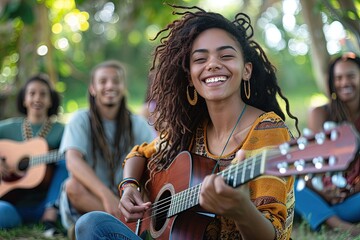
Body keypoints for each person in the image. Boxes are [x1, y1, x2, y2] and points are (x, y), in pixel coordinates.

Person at [75, 4, 300, 240]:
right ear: (191, 77)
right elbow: (139, 153)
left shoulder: (267, 130)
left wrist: (242, 210)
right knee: (91, 223)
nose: (212, 64)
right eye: (200, 59)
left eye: (226, 55)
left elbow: (272, 235)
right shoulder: (191, 130)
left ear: (246, 70)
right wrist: (129, 185)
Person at [58, 60, 155, 237]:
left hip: (127, 195)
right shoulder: (80, 119)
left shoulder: (137, 123)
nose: (110, 85)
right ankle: (122, 227)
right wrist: (106, 196)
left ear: (123, 87)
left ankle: (116, 227)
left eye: (116, 81)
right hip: (93, 198)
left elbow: (156, 155)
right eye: (103, 81)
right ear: (92, 88)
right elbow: (72, 160)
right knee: (72, 186)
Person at [294, 52, 360, 236]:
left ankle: (322, 217)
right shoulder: (320, 113)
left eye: (351, 76)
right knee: (292, 184)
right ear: (332, 82)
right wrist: (325, 192)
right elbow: (310, 164)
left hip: (354, 197)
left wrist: (349, 190)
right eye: (338, 78)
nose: (344, 82)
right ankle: (339, 225)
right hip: (321, 195)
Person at [0, 74, 68, 237]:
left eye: (43, 94)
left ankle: (49, 219)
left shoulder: (62, 130)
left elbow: (76, 156)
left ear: (51, 100)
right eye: (32, 93)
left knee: (67, 160)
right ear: (24, 99)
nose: (37, 98)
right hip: (11, 206)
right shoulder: (8, 128)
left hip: (45, 206)